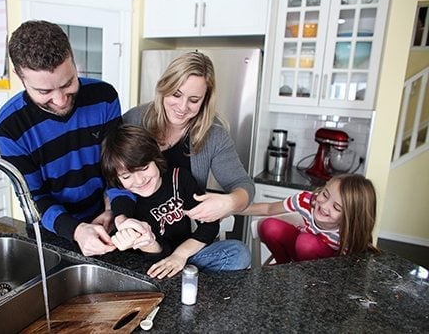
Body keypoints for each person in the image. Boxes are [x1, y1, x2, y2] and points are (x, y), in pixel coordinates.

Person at [0, 20, 142, 257]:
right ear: (19, 76)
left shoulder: (104, 97)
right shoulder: (9, 126)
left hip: (110, 223)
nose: (61, 100)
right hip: (55, 234)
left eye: (68, 83)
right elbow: (33, 197)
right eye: (44, 92)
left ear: (73, 59)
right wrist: (77, 230)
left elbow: (117, 168)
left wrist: (117, 210)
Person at [108, 51, 254, 231]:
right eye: (176, 95)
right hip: (134, 231)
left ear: (205, 101)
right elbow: (111, 175)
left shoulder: (215, 136)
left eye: (194, 100)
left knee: (238, 251)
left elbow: (243, 185)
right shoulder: (134, 120)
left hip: (182, 235)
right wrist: (115, 213)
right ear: (163, 88)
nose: (182, 107)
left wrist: (230, 202)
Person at [102, 124, 251, 279]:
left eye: (144, 168)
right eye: (127, 176)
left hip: (187, 257)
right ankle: (188, 285)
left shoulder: (180, 178)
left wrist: (180, 255)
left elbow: (209, 225)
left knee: (239, 252)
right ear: (118, 180)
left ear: (156, 158)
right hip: (151, 269)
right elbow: (149, 259)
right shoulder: (126, 203)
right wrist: (150, 244)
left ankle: (188, 284)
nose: (139, 180)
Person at [240, 174, 378, 264]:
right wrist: (231, 209)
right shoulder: (305, 200)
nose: (324, 205)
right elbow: (268, 209)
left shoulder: (349, 234)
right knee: (269, 226)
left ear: (350, 218)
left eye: (336, 207)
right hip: (298, 255)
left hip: (324, 273)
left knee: (306, 242)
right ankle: (283, 268)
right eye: (325, 194)